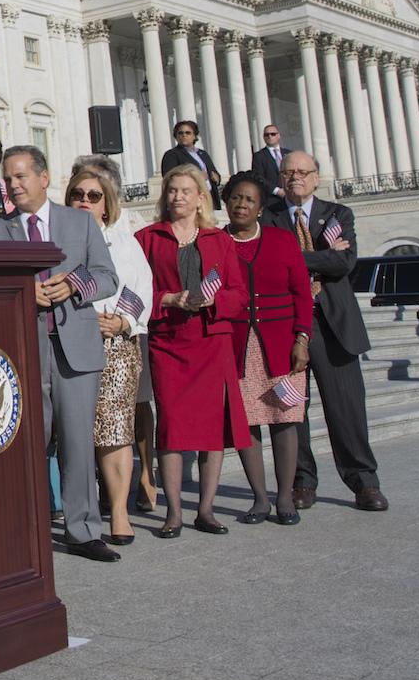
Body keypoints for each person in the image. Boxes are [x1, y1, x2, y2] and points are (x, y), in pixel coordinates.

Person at [0, 147, 118, 559]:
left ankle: (83, 531)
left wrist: (75, 286)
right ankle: (26, 528)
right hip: (23, 351)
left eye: (21, 176)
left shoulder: (80, 222)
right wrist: (22, 294)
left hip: (75, 347)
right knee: (27, 444)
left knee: (77, 443)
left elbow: (108, 277)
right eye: (8, 179)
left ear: (44, 177)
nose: (14, 185)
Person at [267, 152, 386, 511]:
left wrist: (293, 257)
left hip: (334, 324)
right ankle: (301, 482)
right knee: (291, 410)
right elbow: (270, 264)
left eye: (303, 172)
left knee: (346, 408)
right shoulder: (269, 218)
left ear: (316, 177)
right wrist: (320, 255)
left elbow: (345, 262)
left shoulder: (337, 214)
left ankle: (364, 482)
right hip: (288, 326)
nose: (295, 178)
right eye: (288, 173)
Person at [137, 165, 249, 537]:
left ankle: (205, 510)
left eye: (186, 191)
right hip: (168, 342)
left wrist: (213, 302)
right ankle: (173, 513)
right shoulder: (147, 238)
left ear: (201, 197)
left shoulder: (220, 240)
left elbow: (239, 294)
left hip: (210, 341)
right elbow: (134, 292)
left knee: (210, 429)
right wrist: (168, 298)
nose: (178, 197)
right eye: (172, 191)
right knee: (170, 426)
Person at [57, 166, 152, 544]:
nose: (84, 201)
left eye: (93, 196)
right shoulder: (56, 239)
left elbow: (142, 290)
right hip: (66, 344)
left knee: (114, 431)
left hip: (115, 346)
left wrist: (124, 322)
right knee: (74, 431)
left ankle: (120, 511)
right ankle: (80, 508)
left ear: (107, 206)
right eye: (77, 194)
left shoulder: (125, 243)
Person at [220, 174, 312, 526]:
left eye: (249, 200)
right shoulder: (217, 242)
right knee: (247, 422)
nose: (241, 205)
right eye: (235, 199)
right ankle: (259, 498)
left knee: (284, 419)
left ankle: (285, 495)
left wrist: (302, 339)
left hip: (281, 347)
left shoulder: (282, 240)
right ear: (226, 203)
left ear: (260, 208)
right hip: (237, 348)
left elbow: (302, 293)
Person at [160, 119, 223, 193]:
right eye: (180, 133)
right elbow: (170, 178)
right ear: (176, 136)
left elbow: (213, 172)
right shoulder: (171, 154)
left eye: (188, 133)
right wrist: (196, 177)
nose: (184, 135)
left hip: (210, 196)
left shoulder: (202, 154)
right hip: (189, 196)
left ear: (194, 136)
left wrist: (217, 178)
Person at [250, 123, 288, 196]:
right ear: (264, 137)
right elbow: (258, 177)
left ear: (278, 135)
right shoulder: (259, 156)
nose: (270, 136)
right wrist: (276, 191)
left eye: (273, 134)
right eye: (266, 135)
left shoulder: (288, 153)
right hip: (271, 198)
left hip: (290, 196)